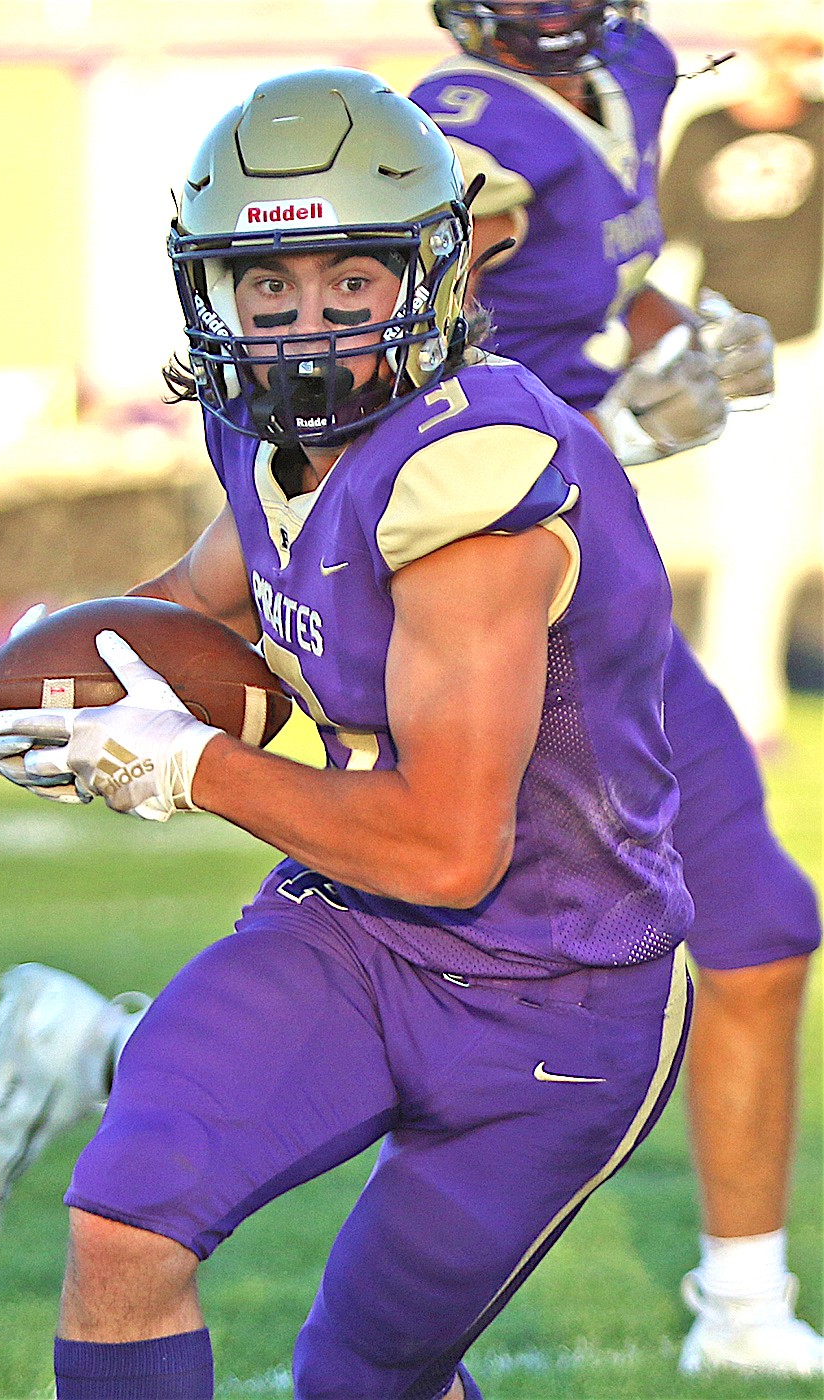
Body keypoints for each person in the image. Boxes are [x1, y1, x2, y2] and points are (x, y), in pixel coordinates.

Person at [0, 68, 694, 1400]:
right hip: (349, 933)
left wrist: (190, 762)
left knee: (363, 1379)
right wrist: (48, 685)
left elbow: (451, 846)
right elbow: (194, 604)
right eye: (267, 288)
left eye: (349, 287)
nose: (304, 330)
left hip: (557, 993)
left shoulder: (470, 488)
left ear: (431, 278)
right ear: (212, 290)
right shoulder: (260, 429)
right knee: (125, 1224)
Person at [404, 0, 821, 1377]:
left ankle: (746, 1314)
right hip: (489, 576)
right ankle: (119, 1068)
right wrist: (605, 429)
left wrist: (684, 334)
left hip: (605, 577)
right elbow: (402, 380)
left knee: (759, 926)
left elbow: (612, 279)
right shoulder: (460, 126)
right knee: (454, 981)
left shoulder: (638, 69)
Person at [659, 26, 824, 748]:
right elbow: (666, 240)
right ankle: (739, 705)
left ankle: (742, 702)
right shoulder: (706, 129)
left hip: (800, 348)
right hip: (727, 351)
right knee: (749, 529)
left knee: (771, 533)